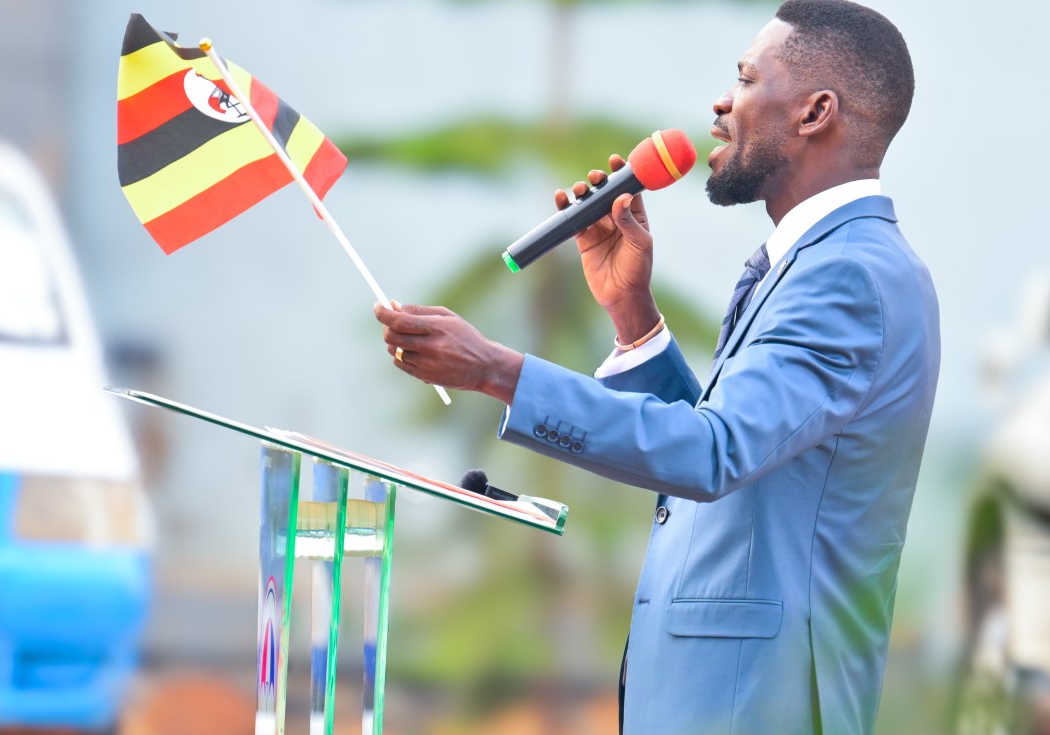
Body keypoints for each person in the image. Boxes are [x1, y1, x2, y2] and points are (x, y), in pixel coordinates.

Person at [376, 1, 939, 732]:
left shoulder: (847, 275)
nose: (721, 103)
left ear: (815, 112)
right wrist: (632, 314)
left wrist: (497, 371)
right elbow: (737, 457)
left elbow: (712, 453)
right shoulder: (824, 263)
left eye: (745, 79)